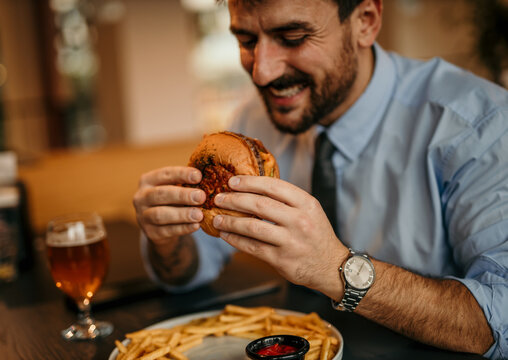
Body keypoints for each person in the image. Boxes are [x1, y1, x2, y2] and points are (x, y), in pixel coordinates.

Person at [133, 0, 508, 358]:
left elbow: (500, 318)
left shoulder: (477, 125)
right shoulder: (253, 124)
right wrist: (167, 241)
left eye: (293, 38)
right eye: (247, 41)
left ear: (365, 21)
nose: (262, 72)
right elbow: (190, 271)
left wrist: (337, 269)